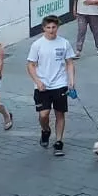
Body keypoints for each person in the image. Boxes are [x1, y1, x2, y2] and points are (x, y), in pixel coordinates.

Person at [26, 15, 77, 156]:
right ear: (43, 28)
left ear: (57, 27)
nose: (51, 30)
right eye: (48, 27)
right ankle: (45, 130)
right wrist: (38, 81)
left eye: (53, 27)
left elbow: (70, 63)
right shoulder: (37, 45)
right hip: (43, 85)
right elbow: (30, 65)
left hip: (60, 84)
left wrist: (71, 81)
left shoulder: (64, 43)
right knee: (44, 114)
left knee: (60, 113)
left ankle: (59, 141)